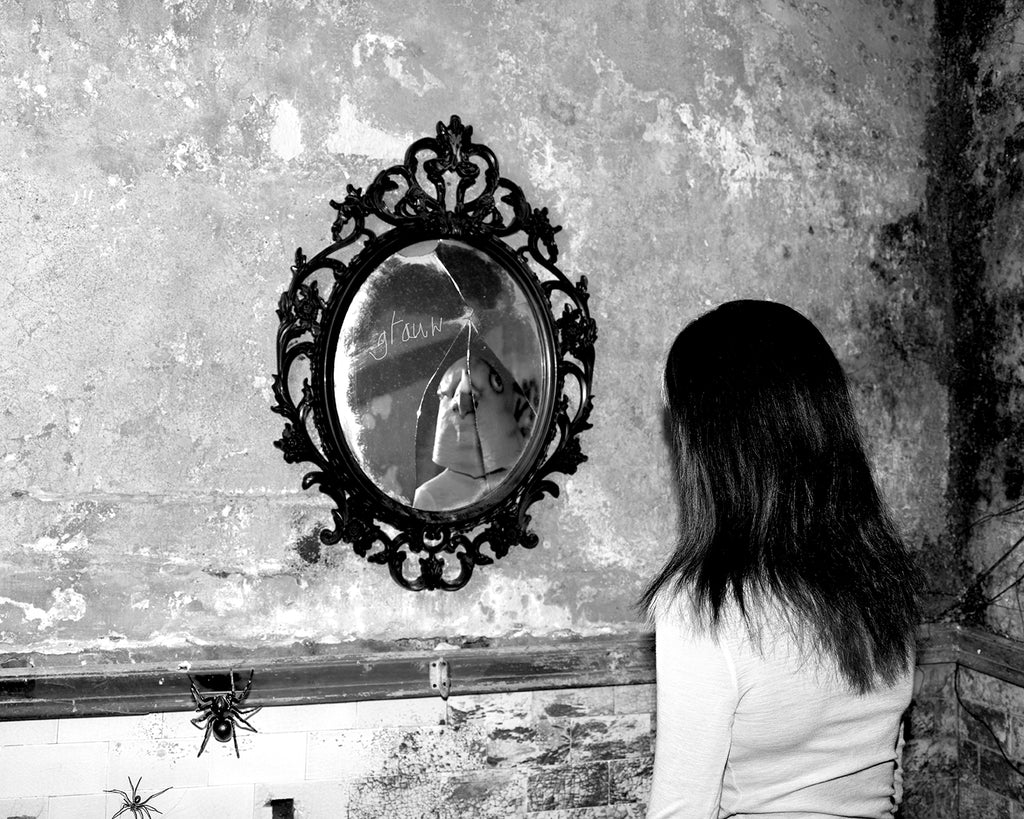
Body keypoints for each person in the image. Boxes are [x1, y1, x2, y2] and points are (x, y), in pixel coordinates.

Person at [642, 300, 919, 818]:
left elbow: (681, 809)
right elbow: (888, 775)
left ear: (710, 444)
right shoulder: (881, 575)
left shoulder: (702, 605)